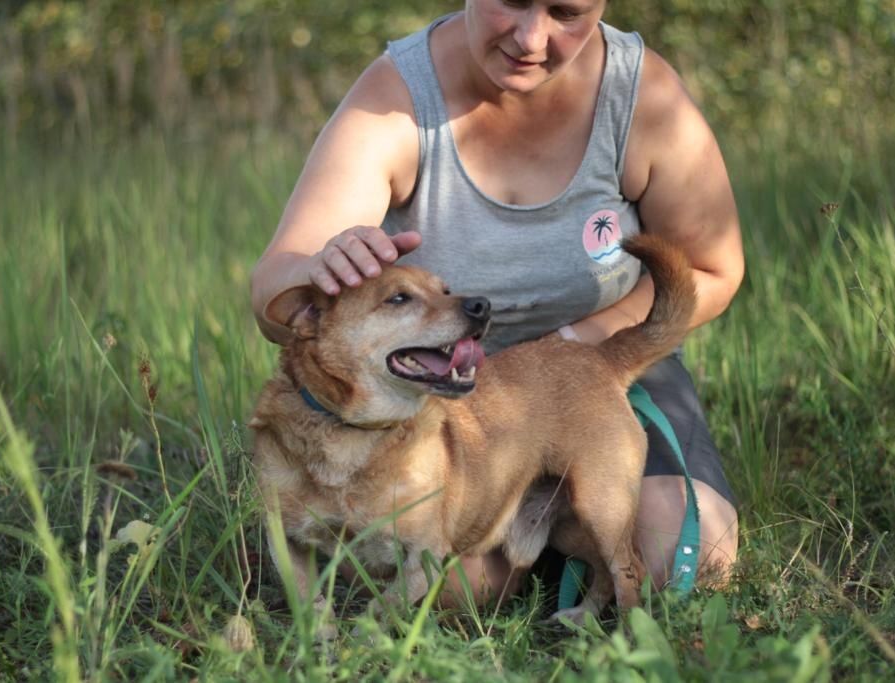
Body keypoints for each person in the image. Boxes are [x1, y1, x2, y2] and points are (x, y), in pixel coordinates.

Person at [251, 0, 743, 605]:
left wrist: (577, 346)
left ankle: (567, 538)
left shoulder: (643, 96)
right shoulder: (395, 100)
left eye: (566, 11)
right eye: (510, 0)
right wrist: (316, 266)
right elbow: (275, 285)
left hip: (603, 364)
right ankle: (538, 543)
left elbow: (711, 265)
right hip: (440, 393)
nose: (531, 36)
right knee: (446, 591)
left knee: (690, 554)